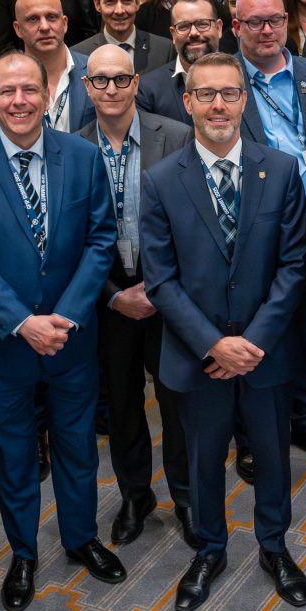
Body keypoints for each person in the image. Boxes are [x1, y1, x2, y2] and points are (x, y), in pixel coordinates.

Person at [0, 52, 125, 611]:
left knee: (78, 447)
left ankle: (80, 537)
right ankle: (23, 554)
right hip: (4, 345)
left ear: (47, 96)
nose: (19, 101)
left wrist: (65, 316)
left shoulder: (83, 156)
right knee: (14, 455)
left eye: (29, 90)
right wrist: (23, 323)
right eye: (7, 91)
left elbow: (100, 240)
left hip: (71, 338)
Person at [139, 53, 306, 611]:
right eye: (206, 94)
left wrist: (251, 344)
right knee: (203, 460)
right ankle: (209, 549)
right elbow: (160, 280)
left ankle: (274, 547)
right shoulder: (160, 180)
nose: (218, 105)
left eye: (230, 93)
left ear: (245, 100)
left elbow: (293, 267)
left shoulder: (280, 170)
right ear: (187, 102)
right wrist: (214, 344)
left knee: (273, 457)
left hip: (266, 353)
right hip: (199, 357)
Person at [74, 45, 198, 549]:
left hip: (168, 295)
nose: (111, 89)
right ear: (87, 87)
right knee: (122, 404)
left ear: (136, 82)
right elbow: (71, 239)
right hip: (108, 300)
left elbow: (193, 223)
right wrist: (112, 296)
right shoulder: (71, 148)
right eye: (100, 80)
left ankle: (186, 496)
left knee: (177, 401)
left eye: (120, 79)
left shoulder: (177, 136)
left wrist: (161, 289)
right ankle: (135, 495)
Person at [231, 0, 306, 470]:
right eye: (254, 22)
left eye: (275, 21)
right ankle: (251, 436)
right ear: (235, 26)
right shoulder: (224, 80)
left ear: (288, 22)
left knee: (305, 332)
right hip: (249, 235)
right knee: (253, 335)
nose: (266, 31)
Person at [0, 0, 96, 135]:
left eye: (52, 17)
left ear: (65, 23)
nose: (45, 27)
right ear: (18, 29)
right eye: (33, 19)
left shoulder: (95, 71)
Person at [135, 0, 222, 123]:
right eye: (184, 26)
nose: (193, 33)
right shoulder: (147, 90)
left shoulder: (243, 77)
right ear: (173, 34)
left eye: (202, 24)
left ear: (219, 28)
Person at [74, 0, 176, 75]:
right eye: (110, 2)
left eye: (127, 1)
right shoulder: (79, 54)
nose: (119, 11)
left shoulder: (164, 50)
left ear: (137, 2)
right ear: (97, 4)